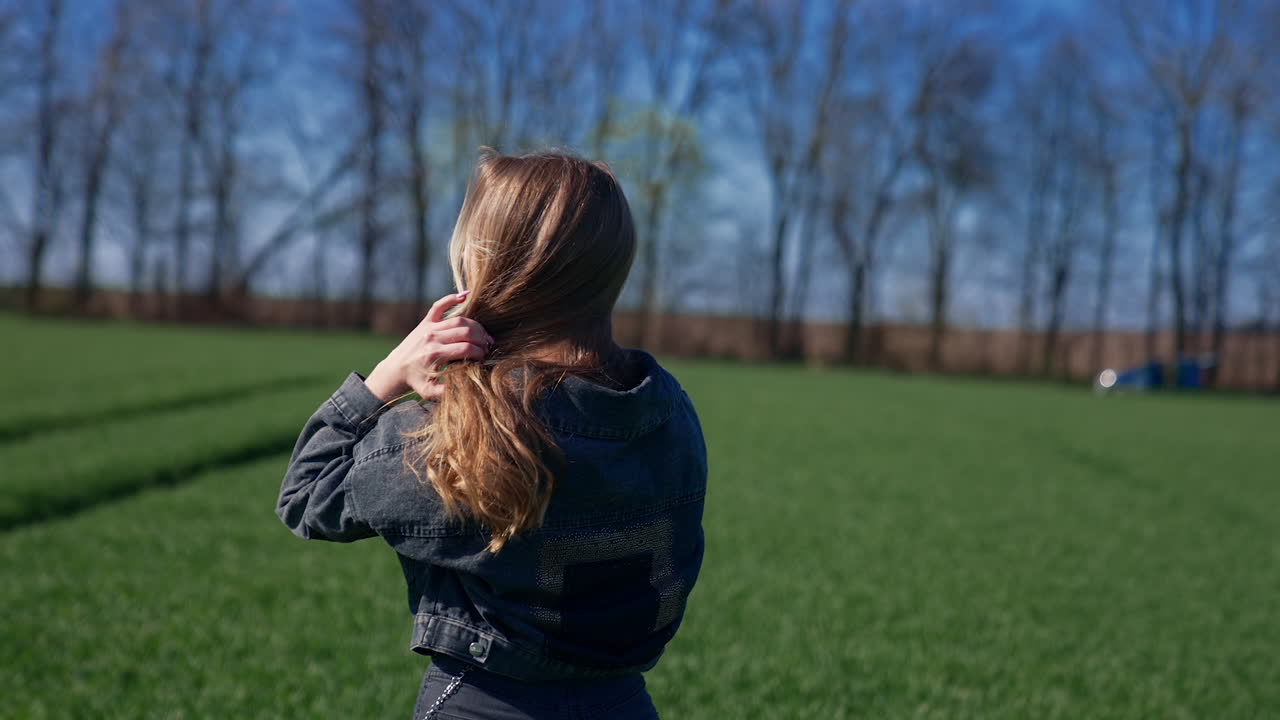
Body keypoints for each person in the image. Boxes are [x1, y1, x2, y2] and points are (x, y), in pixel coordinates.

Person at [276, 148, 708, 720]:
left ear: (484, 264)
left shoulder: (464, 429)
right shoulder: (668, 412)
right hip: (624, 703)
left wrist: (386, 376)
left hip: (481, 703)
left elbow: (305, 496)